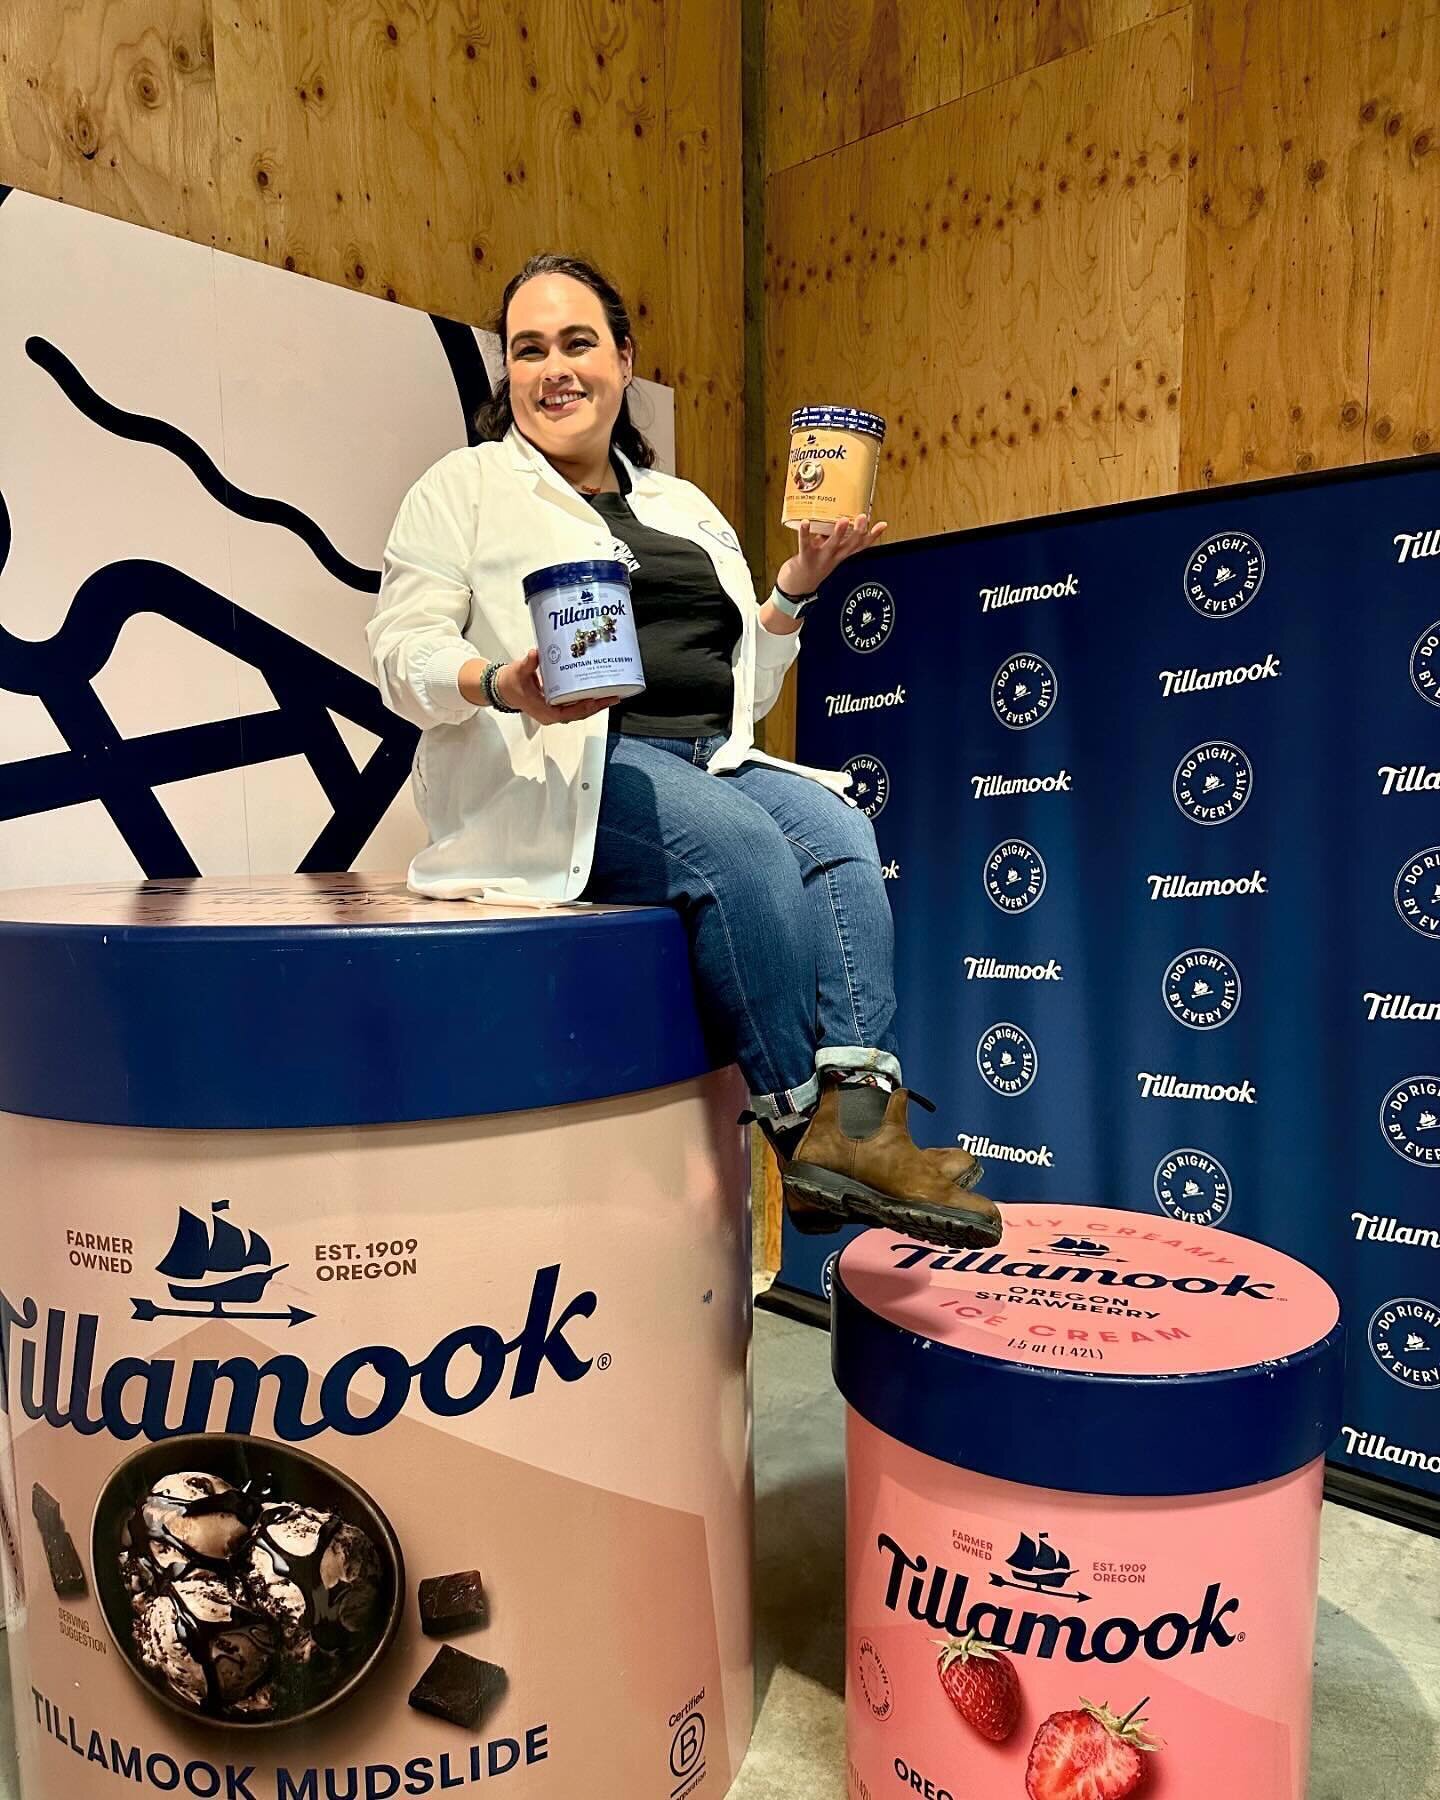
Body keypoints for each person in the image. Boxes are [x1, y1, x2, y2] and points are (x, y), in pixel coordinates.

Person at [368, 253, 1000, 1250]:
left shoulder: (684, 506)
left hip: (703, 752)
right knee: (738, 844)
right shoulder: (465, 487)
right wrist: (502, 684)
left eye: (578, 343)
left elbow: (740, 690)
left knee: (838, 828)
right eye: (529, 350)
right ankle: (804, 1131)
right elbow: (398, 654)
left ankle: (863, 1130)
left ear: (623, 360)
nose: (555, 369)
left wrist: (792, 589)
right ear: (510, 375)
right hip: (565, 761)